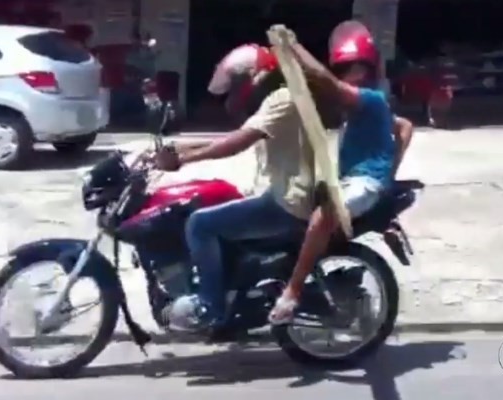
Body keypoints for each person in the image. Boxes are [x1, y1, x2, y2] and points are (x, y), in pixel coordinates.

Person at [153, 43, 322, 335]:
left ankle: (210, 306)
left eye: (237, 85)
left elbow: (239, 142)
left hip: (288, 203)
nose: (234, 94)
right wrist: (177, 147)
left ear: (256, 78)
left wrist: (183, 159)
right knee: (207, 203)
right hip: (279, 194)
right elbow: (233, 136)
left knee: (199, 225)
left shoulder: (282, 99)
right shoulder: (276, 100)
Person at [268, 21, 413, 324]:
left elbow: (325, 81)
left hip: (365, 182)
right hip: (355, 180)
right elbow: (404, 127)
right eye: (344, 69)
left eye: (355, 69)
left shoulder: (371, 98)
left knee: (325, 215)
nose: (348, 76)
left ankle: (292, 293)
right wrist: (392, 165)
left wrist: (292, 45)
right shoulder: (369, 106)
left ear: (369, 70)